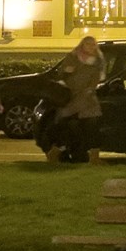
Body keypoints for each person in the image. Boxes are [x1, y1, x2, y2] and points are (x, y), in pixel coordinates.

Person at [46, 33, 108, 163]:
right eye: (87, 44)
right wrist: (68, 73)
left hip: (88, 99)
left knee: (93, 127)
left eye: (93, 44)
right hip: (72, 98)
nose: (90, 47)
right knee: (68, 128)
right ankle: (55, 153)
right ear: (82, 45)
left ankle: (94, 157)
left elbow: (98, 78)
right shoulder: (73, 57)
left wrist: (90, 88)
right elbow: (63, 75)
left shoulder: (98, 60)